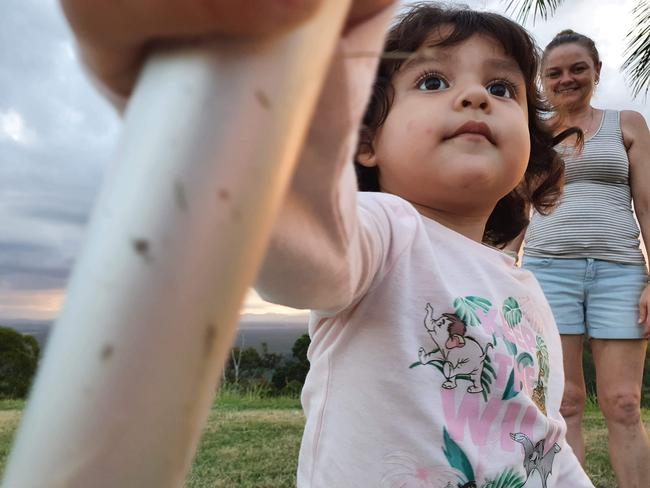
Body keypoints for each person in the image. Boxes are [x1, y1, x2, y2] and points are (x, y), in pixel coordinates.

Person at [61, 1, 595, 486]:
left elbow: (541, 437)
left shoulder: (523, 285)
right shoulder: (385, 231)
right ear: (364, 142)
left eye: (503, 89)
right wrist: (233, 101)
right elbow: (297, 250)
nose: (476, 96)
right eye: (432, 81)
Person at [513, 29, 650, 488]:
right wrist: (498, 270)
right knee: (565, 401)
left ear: (595, 72)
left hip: (621, 273)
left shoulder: (627, 124)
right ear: (542, 81)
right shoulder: (531, 135)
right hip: (549, 273)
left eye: (577, 69)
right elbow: (515, 210)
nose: (566, 79)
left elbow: (648, 205)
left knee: (624, 404)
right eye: (554, 73)